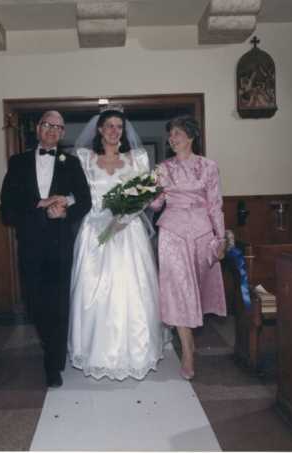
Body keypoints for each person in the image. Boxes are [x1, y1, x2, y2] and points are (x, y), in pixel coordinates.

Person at [68, 107, 164, 381]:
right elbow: (80, 196)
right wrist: (64, 201)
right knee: (92, 292)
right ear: (99, 130)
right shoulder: (86, 160)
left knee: (129, 289)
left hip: (127, 230)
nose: (113, 131)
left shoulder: (136, 159)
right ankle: (96, 354)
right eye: (108, 126)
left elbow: (144, 196)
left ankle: (133, 353)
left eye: (118, 127)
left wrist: (124, 217)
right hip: (94, 231)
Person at [0, 110, 92, 388]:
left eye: (59, 127)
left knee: (58, 304)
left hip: (59, 246)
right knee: (35, 304)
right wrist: (38, 206)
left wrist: (66, 211)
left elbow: (85, 201)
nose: (53, 130)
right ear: (38, 129)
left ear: (63, 133)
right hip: (29, 245)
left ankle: (54, 364)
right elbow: (7, 209)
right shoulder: (17, 163)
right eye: (48, 125)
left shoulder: (72, 164)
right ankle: (48, 345)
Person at [150, 115, 226, 380]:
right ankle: (187, 351)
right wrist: (151, 189)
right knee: (179, 290)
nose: (172, 139)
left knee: (198, 289)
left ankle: (189, 340)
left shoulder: (209, 167)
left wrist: (220, 238)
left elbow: (215, 204)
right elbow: (156, 206)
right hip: (171, 232)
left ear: (191, 137)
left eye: (177, 134)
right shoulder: (163, 167)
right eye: (170, 135)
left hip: (203, 232)